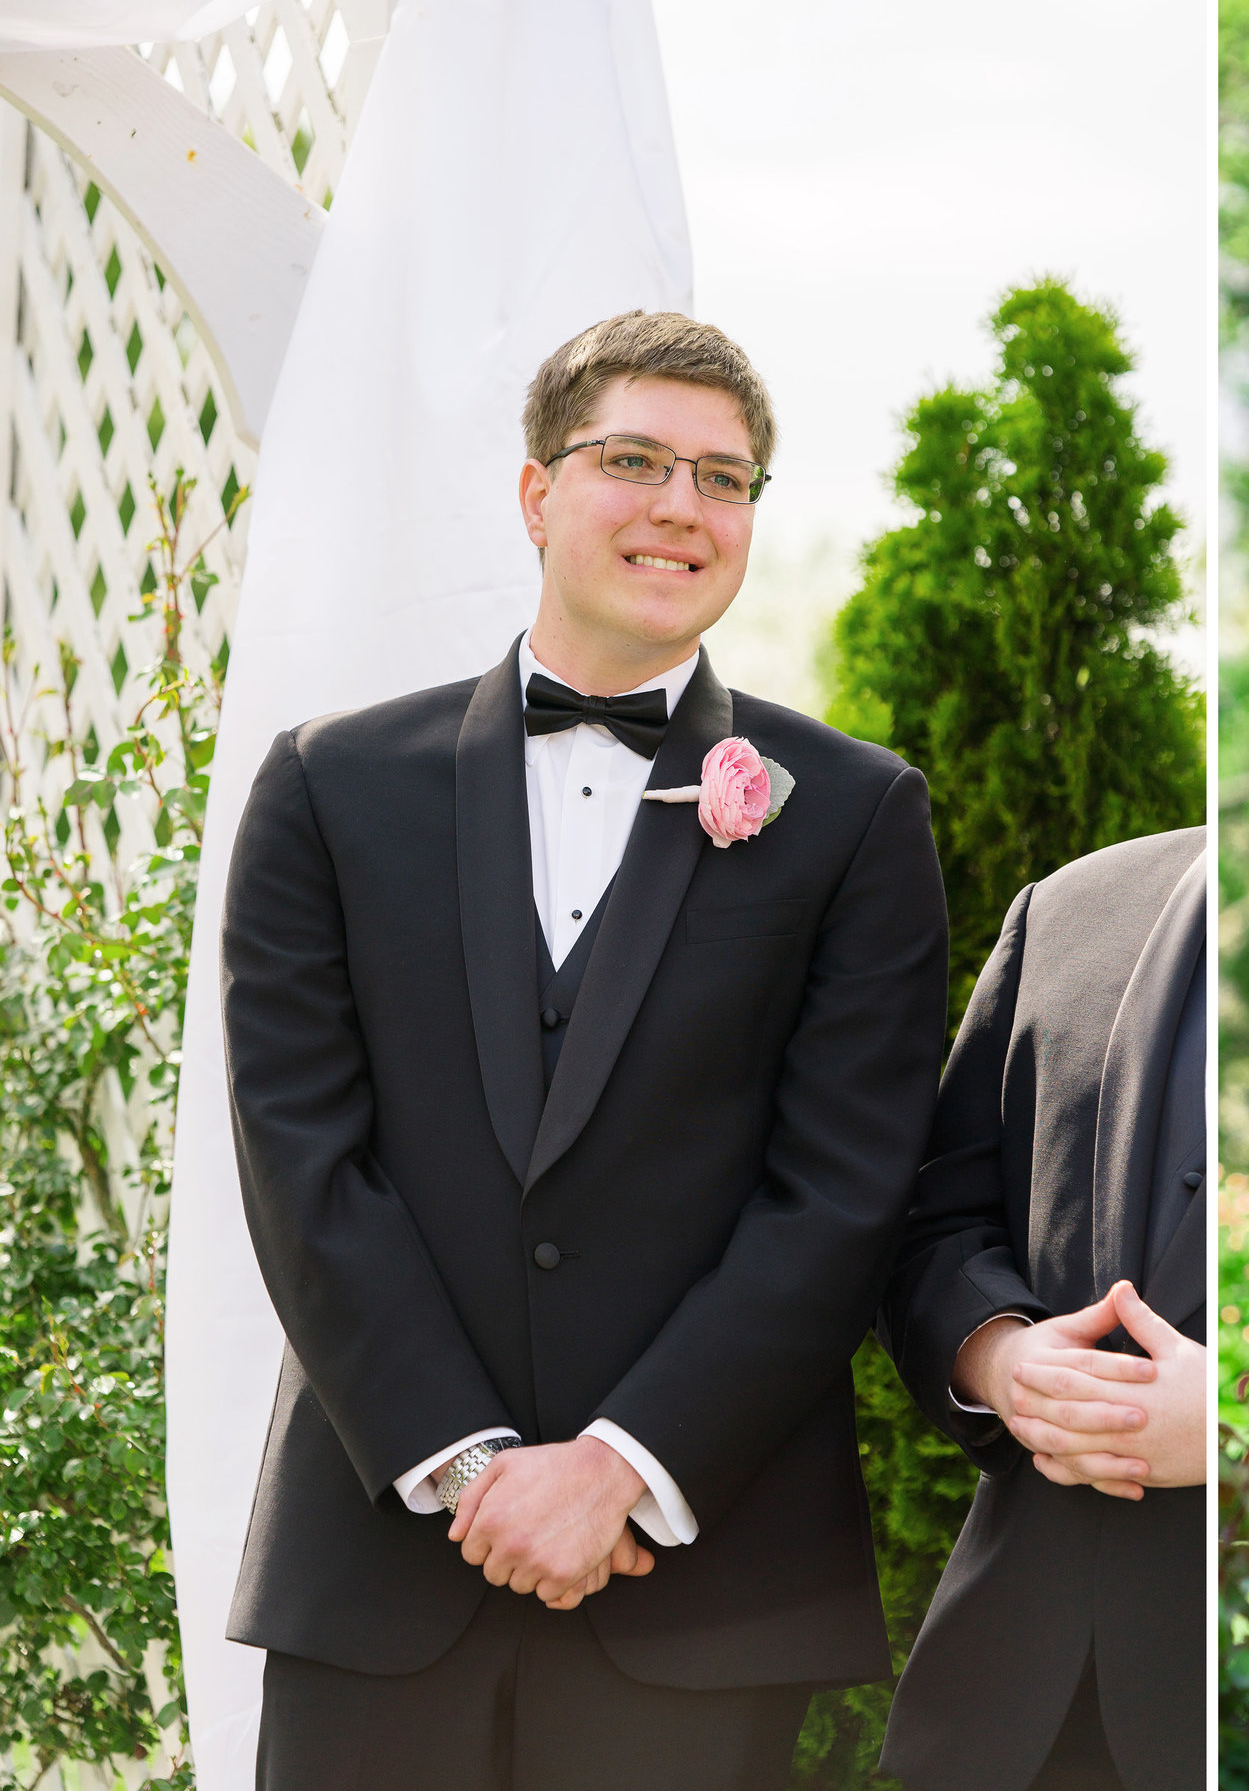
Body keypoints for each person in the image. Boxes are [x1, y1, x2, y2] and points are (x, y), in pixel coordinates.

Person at [222, 309, 949, 1789]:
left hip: (699, 1579)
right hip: (380, 1570)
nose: (684, 506)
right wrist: (478, 1468)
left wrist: (622, 1466)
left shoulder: (856, 815)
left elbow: (843, 1190)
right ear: (539, 492)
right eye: (636, 460)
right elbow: (304, 1159)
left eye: (726, 478)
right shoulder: (329, 785)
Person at [876, 827, 1209, 1791]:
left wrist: (1230, 1421)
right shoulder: (1066, 908)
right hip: (1027, 1699)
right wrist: (1001, 1360)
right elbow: (935, 1222)